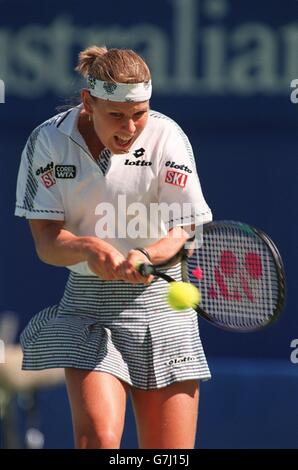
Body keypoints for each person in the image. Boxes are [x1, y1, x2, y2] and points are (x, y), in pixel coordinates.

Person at [15, 45, 213, 449]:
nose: (130, 127)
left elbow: (183, 235)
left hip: (163, 308)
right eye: (117, 115)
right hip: (87, 310)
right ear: (88, 102)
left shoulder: (168, 136)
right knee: (99, 440)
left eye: (139, 113)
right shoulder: (47, 141)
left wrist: (146, 255)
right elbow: (47, 243)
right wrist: (88, 247)